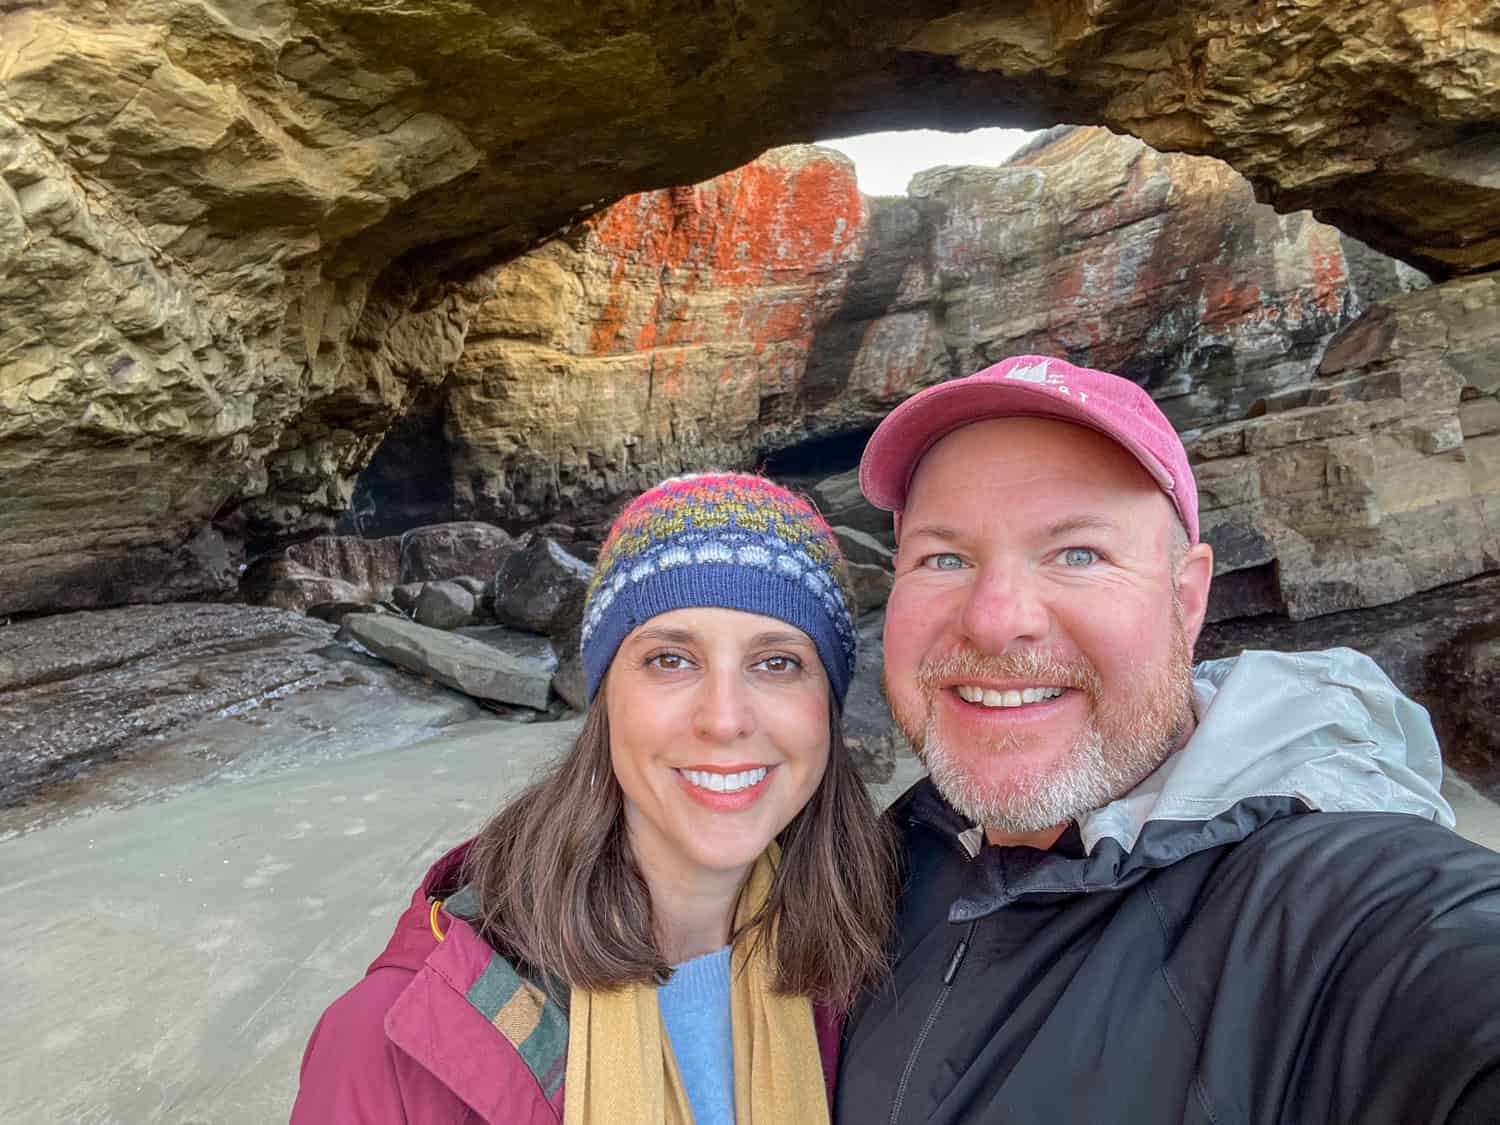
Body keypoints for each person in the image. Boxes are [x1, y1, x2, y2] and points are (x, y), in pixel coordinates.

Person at [835, 355, 1500, 1125]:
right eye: (944, 557)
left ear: (1186, 598)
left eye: (1077, 553)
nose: (993, 618)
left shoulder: (1323, 906)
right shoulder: (893, 857)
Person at [292, 472, 899, 1124]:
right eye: (671, 658)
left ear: (827, 708)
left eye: (777, 662)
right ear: (604, 697)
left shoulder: (883, 958)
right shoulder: (394, 1049)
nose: (725, 719)